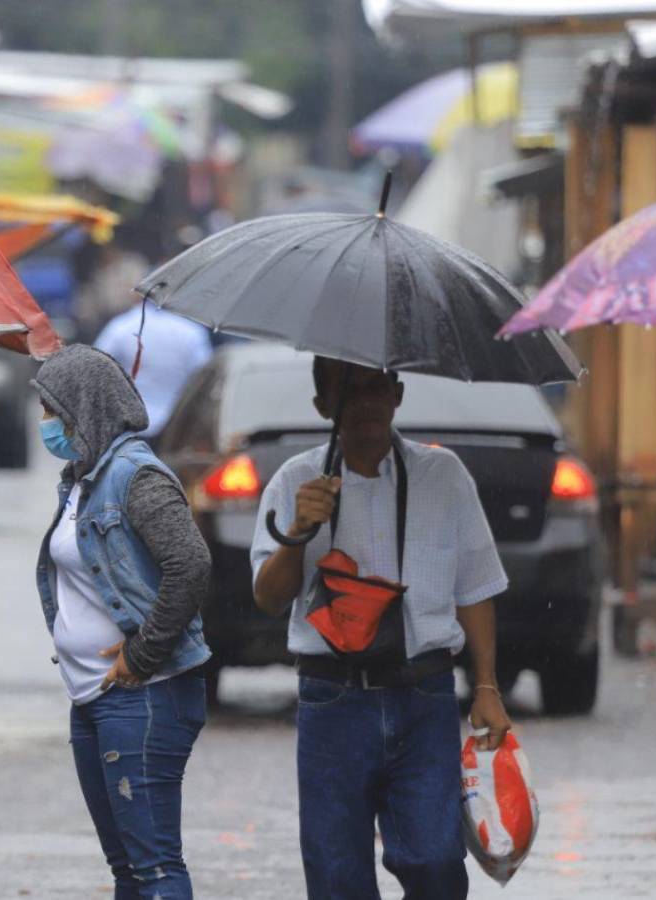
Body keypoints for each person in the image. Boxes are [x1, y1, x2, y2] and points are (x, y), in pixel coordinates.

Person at [251, 357, 512, 900]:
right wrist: (299, 530)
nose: (366, 401)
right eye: (348, 390)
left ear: (398, 394)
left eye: (376, 387)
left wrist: (485, 686)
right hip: (332, 702)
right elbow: (269, 598)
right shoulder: (295, 481)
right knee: (336, 874)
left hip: (425, 697)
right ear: (322, 405)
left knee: (438, 862)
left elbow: (477, 588)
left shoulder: (444, 476)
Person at [31, 344, 212, 899]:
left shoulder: (136, 476)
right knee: (127, 870)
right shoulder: (80, 481)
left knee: (154, 866)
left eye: (51, 411)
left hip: (145, 696)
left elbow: (191, 564)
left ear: (84, 409)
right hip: (92, 697)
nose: (44, 425)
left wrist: (143, 652)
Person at [93, 299, 212, 440]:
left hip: (127, 425)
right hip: (175, 428)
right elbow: (204, 379)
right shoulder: (192, 332)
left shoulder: (121, 326)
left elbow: (95, 369)